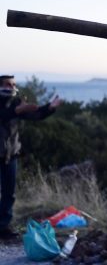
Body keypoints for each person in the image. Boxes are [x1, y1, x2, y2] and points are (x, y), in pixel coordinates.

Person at [0, 75, 62, 239]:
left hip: (10, 154)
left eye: (13, 84)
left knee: (9, 193)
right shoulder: (13, 107)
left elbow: (35, 115)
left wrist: (50, 107)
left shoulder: (15, 103)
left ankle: (3, 227)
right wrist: (16, 111)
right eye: (7, 84)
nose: (12, 87)